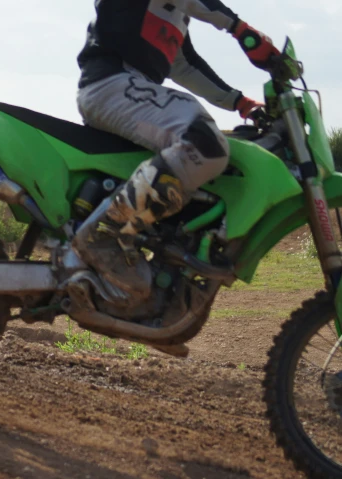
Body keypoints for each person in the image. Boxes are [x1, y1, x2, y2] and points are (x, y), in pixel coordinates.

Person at [72, 1, 280, 302]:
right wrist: (240, 28)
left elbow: (184, 65)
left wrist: (241, 103)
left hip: (128, 90)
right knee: (204, 143)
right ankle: (104, 233)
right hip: (110, 83)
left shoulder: (176, 15)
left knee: (199, 156)